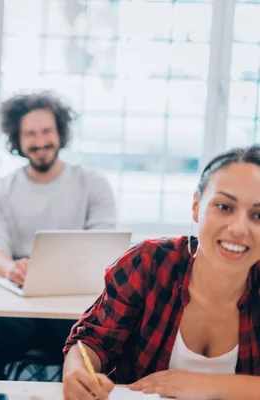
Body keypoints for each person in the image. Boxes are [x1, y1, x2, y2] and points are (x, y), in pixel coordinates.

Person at [63, 144, 260, 400]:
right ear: (196, 207)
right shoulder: (149, 263)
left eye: (258, 215)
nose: (239, 228)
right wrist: (78, 373)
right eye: (224, 207)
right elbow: (92, 341)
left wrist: (209, 386)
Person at [0, 91, 116, 380]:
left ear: (60, 132)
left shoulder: (93, 184)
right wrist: (10, 267)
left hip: (75, 306)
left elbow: (104, 243)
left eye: (46, 131)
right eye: (30, 134)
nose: (39, 141)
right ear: (17, 139)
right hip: (14, 304)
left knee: (105, 348)